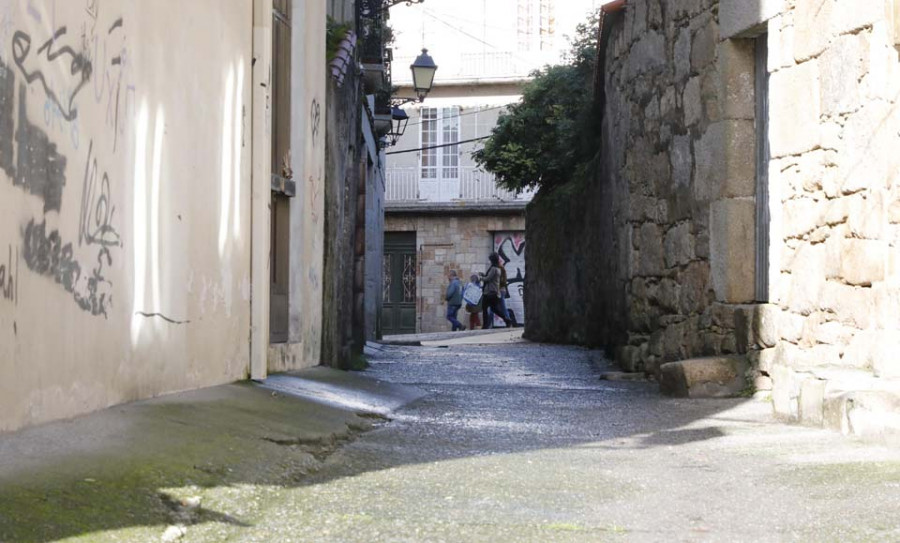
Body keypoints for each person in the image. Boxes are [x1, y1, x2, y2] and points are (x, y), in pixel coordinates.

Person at [480, 253, 513, 330]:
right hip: (495, 291)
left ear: (492, 260)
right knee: (494, 309)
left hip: (490, 292)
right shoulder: (498, 268)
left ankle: (485, 325)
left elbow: (488, 278)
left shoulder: (494, 268)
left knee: (485, 308)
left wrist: (480, 277)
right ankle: (507, 319)